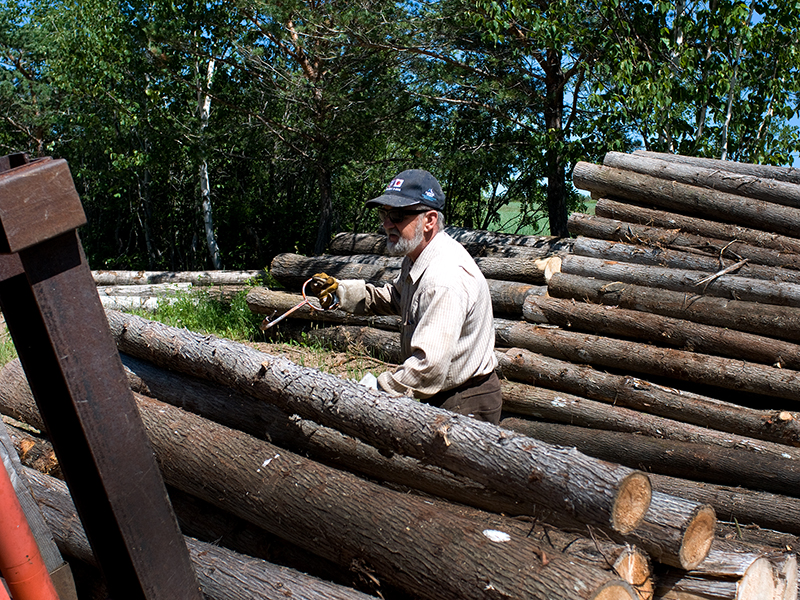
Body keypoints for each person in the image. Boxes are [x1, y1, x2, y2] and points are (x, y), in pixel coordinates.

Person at [310, 169, 502, 424]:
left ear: (430, 220)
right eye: (384, 214)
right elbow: (397, 298)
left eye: (398, 215)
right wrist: (341, 293)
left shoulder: (444, 278)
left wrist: (376, 390)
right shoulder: (418, 259)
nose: (387, 223)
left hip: (464, 401)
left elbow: (428, 367)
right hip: (443, 392)